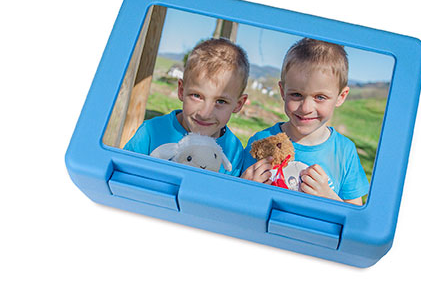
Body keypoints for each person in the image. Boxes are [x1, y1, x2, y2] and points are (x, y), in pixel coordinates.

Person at [241, 38, 369, 205]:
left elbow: (353, 213)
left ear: (341, 96)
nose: (306, 108)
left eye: (320, 97)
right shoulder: (262, 142)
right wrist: (246, 186)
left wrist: (329, 199)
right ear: (283, 91)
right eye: (296, 95)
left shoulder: (344, 152)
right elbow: (239, 200)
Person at [124, 38, 249, 176]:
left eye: (220, 101)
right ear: (181, 91)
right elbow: (123, 174)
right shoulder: (150, 132)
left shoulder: (234, 150)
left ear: (238, 104)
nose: (205, 114)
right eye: (197, 96)